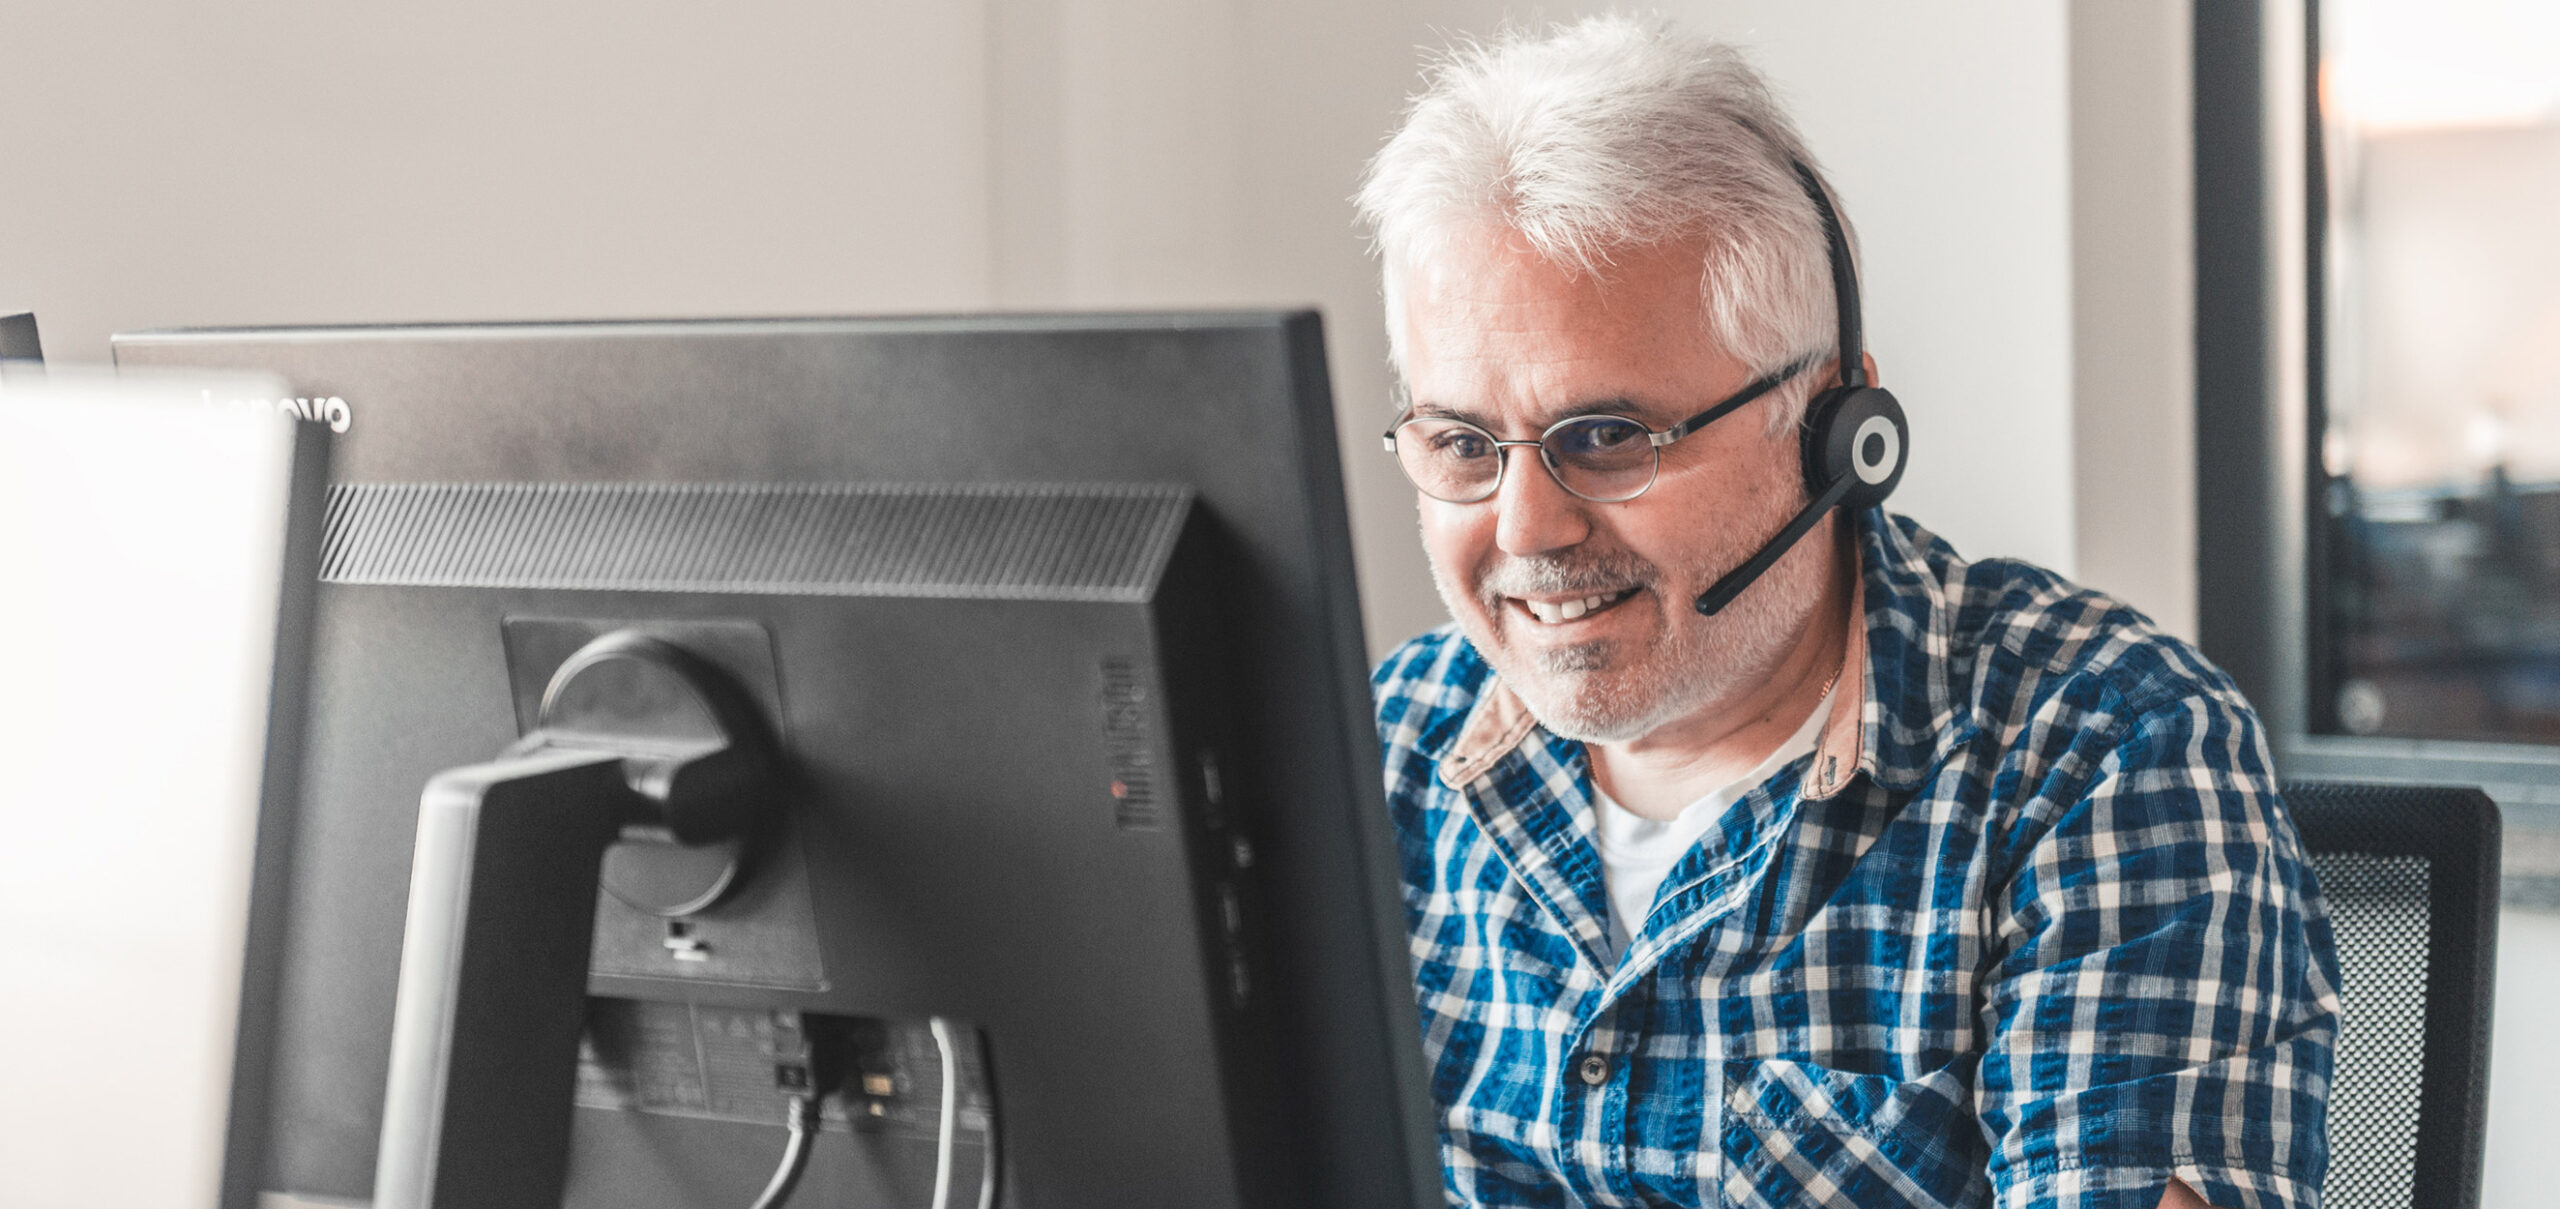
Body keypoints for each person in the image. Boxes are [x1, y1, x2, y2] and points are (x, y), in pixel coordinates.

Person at [1357, 17, 2337, 1209]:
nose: (1524, 531)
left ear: (1835, 432)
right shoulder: (1384, 743)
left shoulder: (2099, 748)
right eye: (1462, 444)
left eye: (1607, 438)